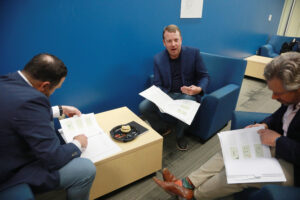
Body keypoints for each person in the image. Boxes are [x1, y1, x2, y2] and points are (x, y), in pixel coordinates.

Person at [153, 52, 300, 199]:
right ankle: (185, 183)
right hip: (281, 148)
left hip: (293, 167)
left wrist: (278, 141)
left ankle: (193, 195)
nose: (273, 97)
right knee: (232, 150)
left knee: (240, 172)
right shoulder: (292, 100)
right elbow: (278, 115)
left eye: (278, 93)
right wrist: (264, 125)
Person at [0, 53, 96, 200]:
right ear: (44, 85)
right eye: (55, 88)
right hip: (10, 172)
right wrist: (78, 143)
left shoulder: (7, 80)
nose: (53, 91)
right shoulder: (33, 101)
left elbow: (16, 113)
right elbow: (53, 158)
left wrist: (59, 110)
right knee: (86, 169)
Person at [139, 24, 209, 151]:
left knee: (187, 101)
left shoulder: (194, 53)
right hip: (167, 94)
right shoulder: (158, 58)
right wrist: (160, 96)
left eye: (176, 40)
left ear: (181, 40)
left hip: (187, 94)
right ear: (164, 43)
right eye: (169, 41)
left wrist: (198, 89)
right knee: (143, 106)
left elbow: (204, 76)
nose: (173, 44)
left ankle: (180, 135)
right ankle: (163, 128)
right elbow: (157, 84)